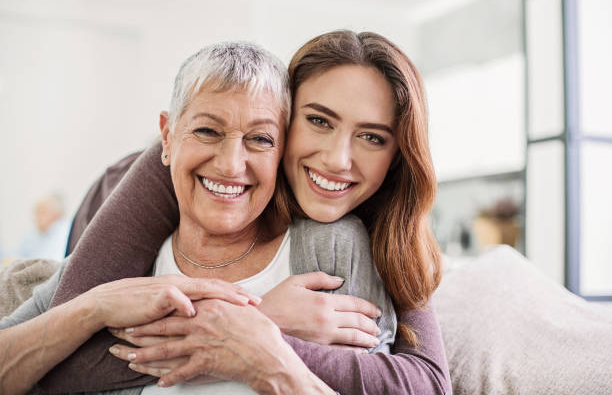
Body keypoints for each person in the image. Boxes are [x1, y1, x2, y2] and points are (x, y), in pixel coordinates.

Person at [44, 30, 450, 394]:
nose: (337, 159)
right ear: (286, 118)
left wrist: (257, 341)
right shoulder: (177, 169)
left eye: (371, 137)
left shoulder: (381, 221)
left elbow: (427, 381)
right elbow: (60, 352)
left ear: (398, 154)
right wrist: (253, 319)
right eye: (318, 121)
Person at [16, 193, 71, 261]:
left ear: (57, 215)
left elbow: (51, 263)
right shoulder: (34, 234)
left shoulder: (64, 232)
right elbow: (18, 253)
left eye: (42, 212)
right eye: (36, 212)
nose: (37, 217)